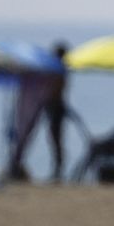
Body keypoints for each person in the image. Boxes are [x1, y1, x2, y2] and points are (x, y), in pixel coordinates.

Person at [45, 42, 70, 182]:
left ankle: (58, 170)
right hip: (55, 106)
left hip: (56, 107)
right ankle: (58, 170)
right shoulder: (60, 70)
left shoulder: (60, 70)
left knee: (56, 139)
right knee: (55, 139)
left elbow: (57, 90)